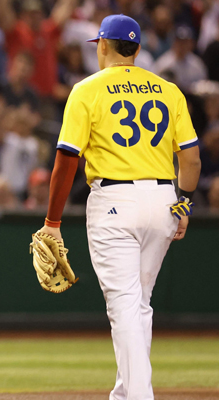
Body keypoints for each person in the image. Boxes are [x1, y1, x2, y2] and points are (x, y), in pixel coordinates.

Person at [38, 14, 201, 400]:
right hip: (164, 200)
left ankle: (140, 395)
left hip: (114, 202)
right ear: (138, 49)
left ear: (103, 46)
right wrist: (184, 205)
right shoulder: (168, 89)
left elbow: (66, 159)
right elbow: (191, 161)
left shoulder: (87, 89)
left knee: (125, 305)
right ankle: (126, 392)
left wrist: (52, 221)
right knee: (139, 303)